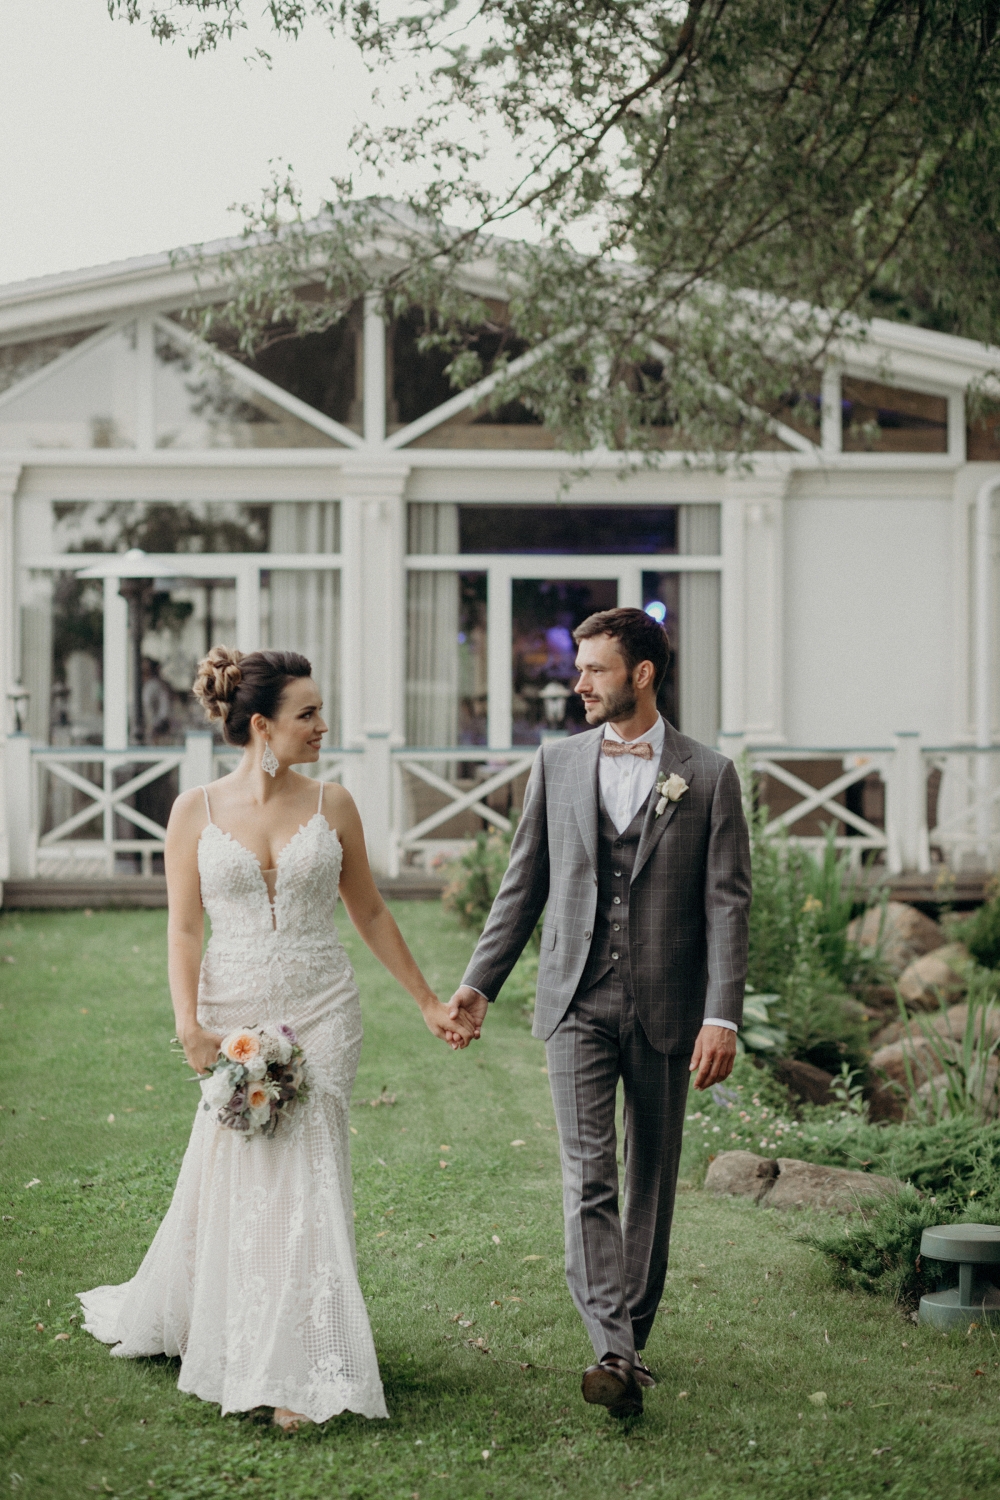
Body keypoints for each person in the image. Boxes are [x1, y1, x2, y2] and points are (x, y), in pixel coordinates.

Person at [79, 646, 474, 1431]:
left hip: (324, 1007)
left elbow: (369, 911)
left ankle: (296, 1362)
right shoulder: (194, 811)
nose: (323, 726)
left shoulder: (335, 804)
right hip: (232, 1011)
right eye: (308, 714)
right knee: (244, 1168)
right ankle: (230, 1320)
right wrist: (189, 1024)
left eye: (320, 711)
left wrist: (428, 1001)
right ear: (262, 724)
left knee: (309, 1168)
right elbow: (184, 928)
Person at [448, 608, 751, 1418]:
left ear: (641, 675)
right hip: (575, 997)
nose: (576, 682)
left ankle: (628, 1343)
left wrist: (722, 1016)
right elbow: (524, 884)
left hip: (668, 1003)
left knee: (651, 1174)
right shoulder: (557, 762)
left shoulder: (710, 775)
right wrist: (480, 983)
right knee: (589, 1173)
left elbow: (728, 906)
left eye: (594, 669)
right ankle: (613, 1349)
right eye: (578, 667)